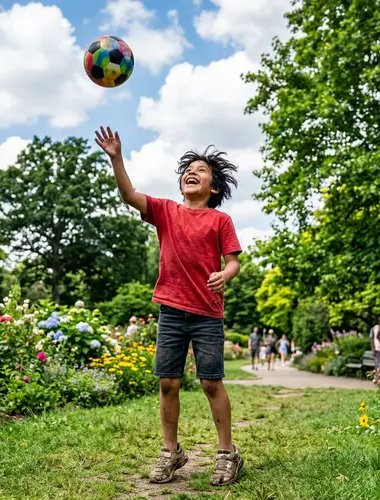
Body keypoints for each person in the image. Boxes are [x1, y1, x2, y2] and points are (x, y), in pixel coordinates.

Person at [95, 126, 243, 486]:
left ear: (215, 187)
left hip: (207, 313)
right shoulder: (165, 211)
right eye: (188, 169)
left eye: (202, 170)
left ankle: (227, 453)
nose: (192, 171)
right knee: (168, 383)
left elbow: (234, 261)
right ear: (181, 184)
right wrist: (117, 158)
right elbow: (128, 194)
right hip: (172, 312)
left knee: (211, 383)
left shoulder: (220, 220)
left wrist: (226, 274)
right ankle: (170, 451)